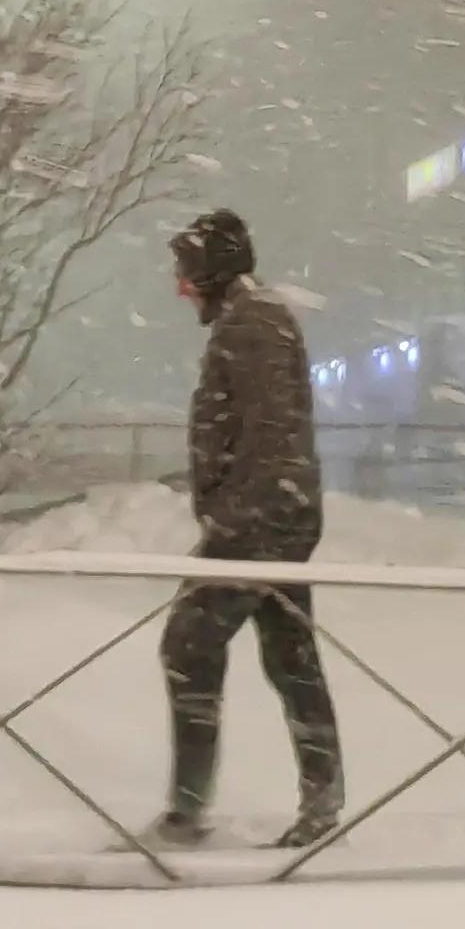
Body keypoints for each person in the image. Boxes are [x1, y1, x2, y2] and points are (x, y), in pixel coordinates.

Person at [152, 209, 344, 850]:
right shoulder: (252, 319)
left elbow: (270, 436)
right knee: (290, 658)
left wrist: (234, 525)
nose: (181, 288)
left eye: (186, 273)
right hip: (273, 517)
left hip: (260, 523)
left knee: (188, 646)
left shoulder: (253, 323)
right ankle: (322, 804)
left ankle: (187, 813)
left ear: (213, 269)